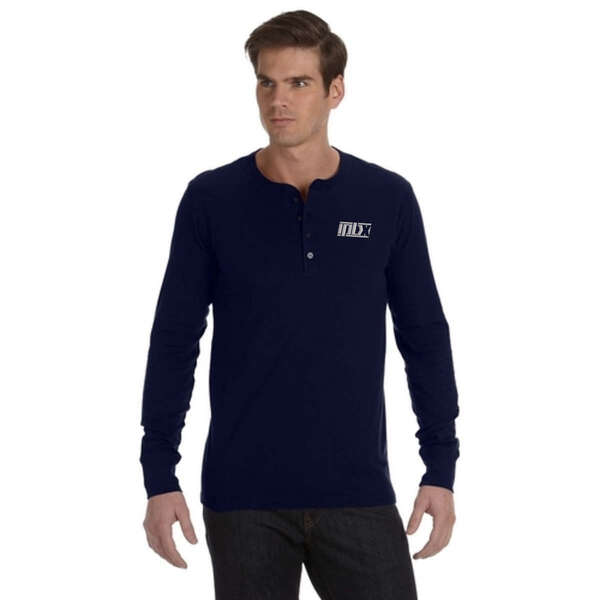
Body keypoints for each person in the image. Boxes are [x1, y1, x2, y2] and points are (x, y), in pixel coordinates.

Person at [140, 9, 459, 600]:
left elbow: (423, 336)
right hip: (243, 499)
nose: (278, 100)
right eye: (267, 82)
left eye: (299, 82)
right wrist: (159, 474)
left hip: (357, 490)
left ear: (336, 90)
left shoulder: (387, 198)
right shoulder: (211, 200)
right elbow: (175, 339)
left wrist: (440, 465)